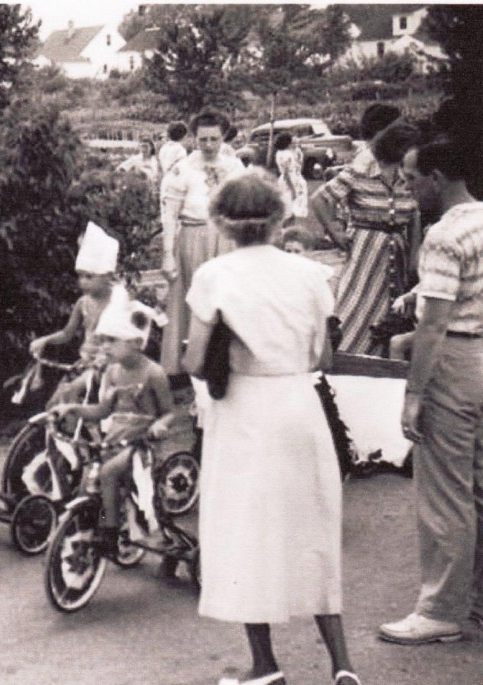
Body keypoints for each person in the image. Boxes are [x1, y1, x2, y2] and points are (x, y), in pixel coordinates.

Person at [181, 172, 360, 685]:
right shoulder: (307, 274)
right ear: (279, 218)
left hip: (245, 410)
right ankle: (342, 664)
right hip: (300, 405)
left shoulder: (215, 275)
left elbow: (193, 361)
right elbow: (324, 354)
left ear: (221, 222)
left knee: (246, 533)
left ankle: (265, 664)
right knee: (313, 529)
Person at [379, 137, 483, 645]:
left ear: (438, 178)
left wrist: (414, 395)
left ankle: (441, 608)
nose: (408, 187)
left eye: (413, 178)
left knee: (444, 492)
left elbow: (436, 328)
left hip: (455, 362)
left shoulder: (442, 237)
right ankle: (477, 599)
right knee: (480, 487)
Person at [50, 300, 176, 555]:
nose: (104, 346)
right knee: (90, 475)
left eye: (112, 340)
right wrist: (72, 409)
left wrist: (160, 425)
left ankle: (109, 532)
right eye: (104, 340)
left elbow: (170, 412)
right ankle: (91, 523)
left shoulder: (154, 373)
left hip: (141, 445)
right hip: (116, 438)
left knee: (108, 472)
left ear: (136, 343)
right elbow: (102, 411)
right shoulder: (113, 372)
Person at [308, 120, 421, 354]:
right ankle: (347, 361)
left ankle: (385, 366)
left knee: (394, 311)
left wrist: (413, 257)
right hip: (365, 251)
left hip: (396, 251)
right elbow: (320, 199)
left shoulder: (409, 178)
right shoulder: (360, 173)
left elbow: (413, 215)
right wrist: (336, 233)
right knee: (355, 307)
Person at [159, 109, 246, 375]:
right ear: (194, 139)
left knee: (227, 300)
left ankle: (226, 363)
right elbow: (169, 214)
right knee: (195, 302)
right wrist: (168, 254)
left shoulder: (235, 167)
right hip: (193, 239)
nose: (209, 145)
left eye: (214, 139)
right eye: (203, 139)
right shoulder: (181, 169)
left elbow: (244, 205)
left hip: (227, 241)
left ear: (223, 138)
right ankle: (193, 365)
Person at [30, 222, 129, 366]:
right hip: (86, 363)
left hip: (113, 366)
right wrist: (45, 340)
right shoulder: (83, 303)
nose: (83, 282)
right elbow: (66, 333)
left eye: (89, 277)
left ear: (107, 275)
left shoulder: (119, 300)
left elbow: (127, 337)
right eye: (80, 276)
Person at [273, 132, 308, 222]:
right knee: (291, 208)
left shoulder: (279, 153)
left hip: (287, 179)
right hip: (290, 181)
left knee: (289, 208)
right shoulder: (287, 155)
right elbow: (287, 173)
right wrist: (292, 189)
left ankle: (290, 226)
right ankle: (289, 227)